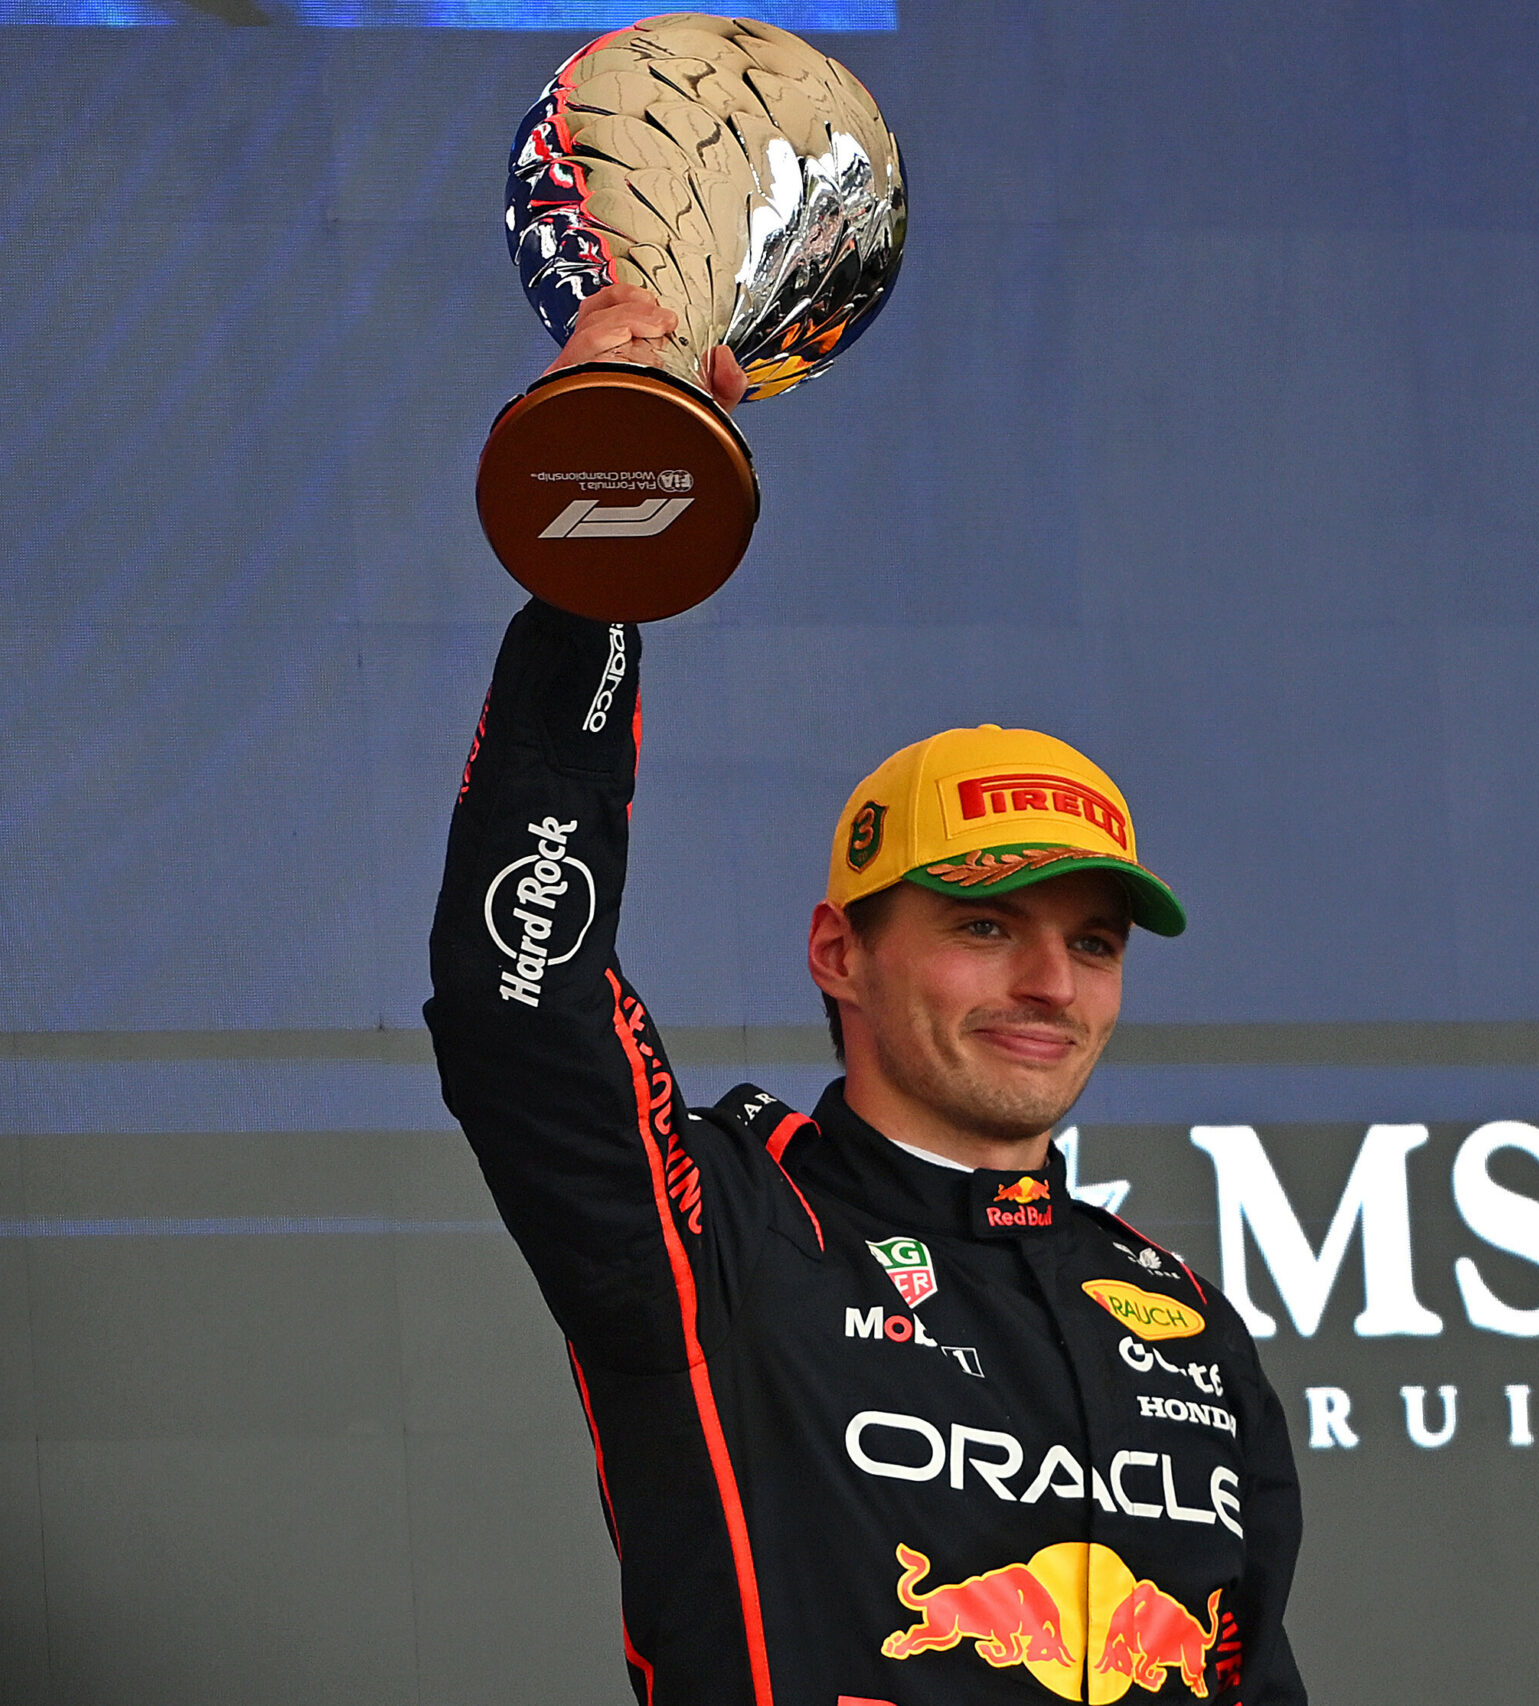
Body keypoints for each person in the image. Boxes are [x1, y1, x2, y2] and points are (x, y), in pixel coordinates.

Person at [425, 290, 1306, 1705]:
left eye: (1093, 942)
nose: (1047, 984)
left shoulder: (1186, 1321)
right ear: (840, 951)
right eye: (983, 924)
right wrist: (600, 544)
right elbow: (519, 999)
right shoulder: (723, 1227)